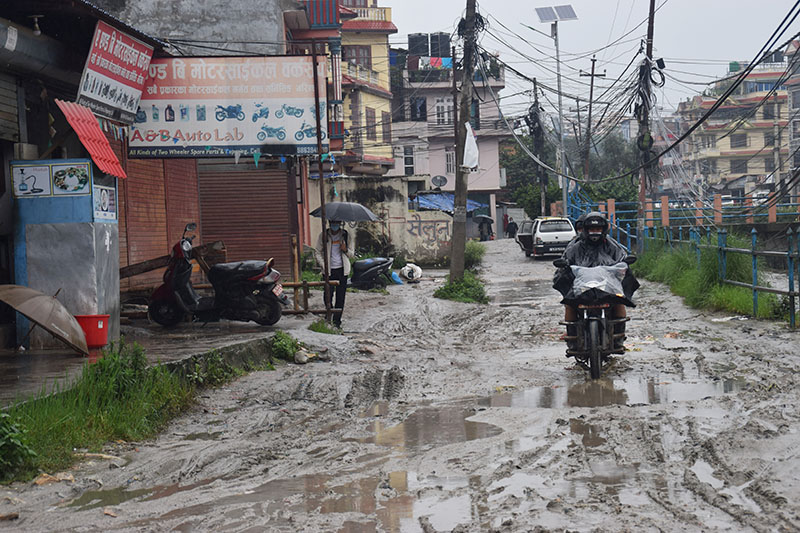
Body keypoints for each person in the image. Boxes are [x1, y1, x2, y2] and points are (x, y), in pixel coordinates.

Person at [554, 211, 638, 350]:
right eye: (592, 229)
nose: (595, 232)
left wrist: (624, 266)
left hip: (606, 287)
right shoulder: (575, 247)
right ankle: (572, 339)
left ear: (603, 229)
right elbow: (565, 263)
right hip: (582, 288)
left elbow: (622, 260)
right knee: (570, 305)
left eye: (598, 229)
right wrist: (564, 268)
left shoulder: (612, 246)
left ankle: (619, 338)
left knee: (619, 303)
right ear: (586, 230)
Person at [314, 220, 354, 327]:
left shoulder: (346, 235)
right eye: (333, 222)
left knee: (340, 297)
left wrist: (345, 250)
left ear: (340, 223)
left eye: (337, 223)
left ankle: (337, 322)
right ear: (329, 222)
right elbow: (317, 252)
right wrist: (324, 265)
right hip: (328, 271)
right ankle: (329, 315)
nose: (334, 225)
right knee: (327, 295)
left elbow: (351, 254)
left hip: (342, 270)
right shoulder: (324, 235)